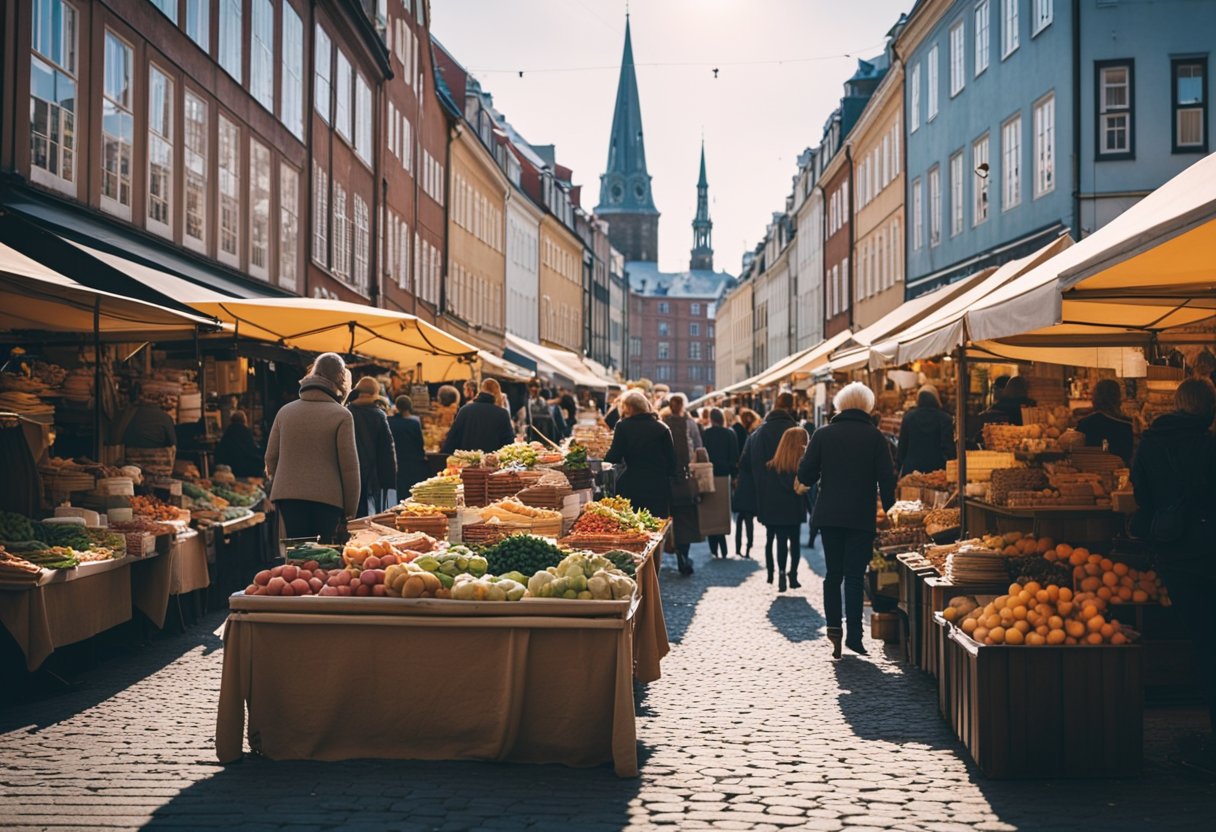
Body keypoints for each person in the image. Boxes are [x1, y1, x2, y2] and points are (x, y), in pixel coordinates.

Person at [1131, 378, 1216, 767]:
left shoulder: (1151, 443)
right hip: (1209, 549)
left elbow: (1142, 499)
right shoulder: (1209, 445)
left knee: (1203, 640)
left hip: (1176, 555)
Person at [798, 382, 897, 659]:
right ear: (868, 406)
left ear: (839, 405)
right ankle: (855, 634)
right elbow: (887, 481)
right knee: (854, 575)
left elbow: (806, 475)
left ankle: (834, 631)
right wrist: (891, 513)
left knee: (833, 574)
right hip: (860, 515)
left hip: (829, 514)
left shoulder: (823, 434)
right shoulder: (876, 438)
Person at [265, 353, 361, 542]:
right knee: (324, 557)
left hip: (288, 498)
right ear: (340, 380)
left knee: (297, 553)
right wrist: (350, 510)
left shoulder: (285, 412)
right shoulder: (341, 415)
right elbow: (349, 468)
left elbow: (270, 457)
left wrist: (286, 482)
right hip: (329, 500)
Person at [740, 392, 800, 583]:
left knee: (772, 537)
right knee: (794, 538)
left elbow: (747, 463)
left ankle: (774, 573)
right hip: (793, 493)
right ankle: (792, 575)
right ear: (791, 407)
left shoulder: (759, 432)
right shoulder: (796, 430)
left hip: (768, 493)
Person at [603, 389, 678, 518]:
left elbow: (614, 456)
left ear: (628, 408)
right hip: (658, 487)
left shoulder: (623, 426)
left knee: (634, 528)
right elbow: (672, 464)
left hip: (633, 485)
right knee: (657, 527)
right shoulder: (662, 428)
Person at [755, 426, 809, 592]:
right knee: (795, 544)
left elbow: (767, 492)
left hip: (777, 511)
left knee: (780, 542)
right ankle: (793, 575)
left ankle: (781, 574)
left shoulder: (772, 467)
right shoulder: (800, 468)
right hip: (794, 510)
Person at [662, 393, 705, 575]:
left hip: (667, 480)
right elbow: (699, 448)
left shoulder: (662, 425)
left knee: (668, 518)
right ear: (683, 406)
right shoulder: (690, 424)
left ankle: (674, 550)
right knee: (686, 520)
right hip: (686, 479)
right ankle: (684, 555)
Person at [348, 377, 397, 516]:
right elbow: (387, 452)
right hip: (373, 475)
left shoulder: (347, 412)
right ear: (375, 393)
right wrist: (389, 484)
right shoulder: (378, 415)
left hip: (351, 472)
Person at [700, 407, 739, 559]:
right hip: (725, 475)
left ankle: (714, 548)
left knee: (710, 512)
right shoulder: (729, 433)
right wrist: (734, 475)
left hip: (709, 475)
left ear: (711, 418)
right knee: (723, 512)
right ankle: (723, 547)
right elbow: (734, 456)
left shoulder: (707, 433)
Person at [443, 378, 516, 454]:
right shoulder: (502, 414)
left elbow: (452, 440)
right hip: (492, 464)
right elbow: (509, 444)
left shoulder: (465, 410)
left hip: (467, 463)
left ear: (480, 390)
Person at [896, 384, 956, 476]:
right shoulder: (945, 419)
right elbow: (948, 448)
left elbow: (902, 448)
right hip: (936, 473)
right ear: (936, 399)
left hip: (912, 473)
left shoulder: (908, 418)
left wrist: (897, 468)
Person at [1077, 378, 1134, 465]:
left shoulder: (1085, 423)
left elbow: (1078, 455)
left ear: (1096, 397)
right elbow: (1128, 456)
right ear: (1118, 397)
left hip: (1090, 474)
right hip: (1121, 475)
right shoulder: (1127, 425)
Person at [115, 382, 177, 451]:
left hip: (128, 459)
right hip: (157, 460)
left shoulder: (127, 414)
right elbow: (173, 446)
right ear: (159, 399)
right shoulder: (165, 418)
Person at [388, 395, 429, 500]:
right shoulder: (414, 422)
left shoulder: (390, 421)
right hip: (412, 460)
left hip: (397, 460)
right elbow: (420, 443)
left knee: (400, 489)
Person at [732, 408, 760, 557]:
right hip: (750, 482)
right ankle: (748, 547)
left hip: (742, 481)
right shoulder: (752, 436)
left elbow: (741, 460)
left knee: (741, 519)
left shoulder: (741, 432)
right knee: (748, 519)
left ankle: (739, 548)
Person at [214, 411, 264, 478]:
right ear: (244, 420)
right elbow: (251, 449)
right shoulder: (245, 431)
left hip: (230, 464)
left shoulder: (228, 431)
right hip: (246, 465)